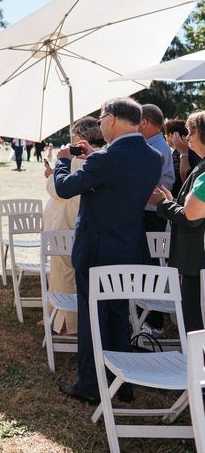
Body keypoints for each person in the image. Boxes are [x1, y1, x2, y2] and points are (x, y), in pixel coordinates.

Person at [54, 97, 161, 405]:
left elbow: (64, 188)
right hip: (127, 246)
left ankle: (89, 383)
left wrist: (63, 160)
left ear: (112, 119)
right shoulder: (152, 157)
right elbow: (117, 178)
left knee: (92, 315)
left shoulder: (105, 160)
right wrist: (95, 155)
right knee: (117, 313)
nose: (99, 124)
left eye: (101, 119)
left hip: (96, 248)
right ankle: (122, 381)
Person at [42, 117, 105, 334]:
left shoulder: (79, 160)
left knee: (63, 271)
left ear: (80, 136)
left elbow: (60, 190)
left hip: (67, 220)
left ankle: (66, 321)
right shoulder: (100, 158)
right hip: (75, 218)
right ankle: (58, 315)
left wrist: (52, 175)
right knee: (66, 270)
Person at [148, 111, 205, 333]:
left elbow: (191, 217)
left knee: (195, 322)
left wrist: (163, 203)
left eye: (191, 132)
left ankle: (195, 367)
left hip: (196, 261)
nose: (187, 137)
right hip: (197, 259)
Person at [139, 104, 174, 233]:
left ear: (144, 122)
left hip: (151, 212)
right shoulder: (156, 145)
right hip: (152, 211)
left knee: (152, 252)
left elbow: (142, 179)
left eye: (135, 121)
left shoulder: (155, 148)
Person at [165, 119, 200, 198]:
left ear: (172, 135)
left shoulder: (186, 152)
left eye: (166, 135)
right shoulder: (180, 151)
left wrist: (183, 153)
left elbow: (186, 178)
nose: (165, 137)